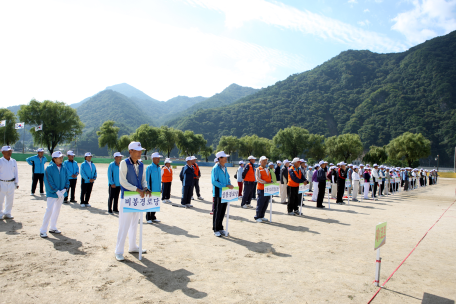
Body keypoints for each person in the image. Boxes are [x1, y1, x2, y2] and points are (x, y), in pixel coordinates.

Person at [115, 141, 150, 261]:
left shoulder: (141, 164)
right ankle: (119, 250)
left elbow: (143, 180)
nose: (140, 153)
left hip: (138, 198)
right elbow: (122, 182)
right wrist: (136, 189)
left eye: (141, 151)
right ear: (130, 151)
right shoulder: (124, 163)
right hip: (127, 198)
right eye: (138, 151)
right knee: (124, 225)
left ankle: (132, 246)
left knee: (135, 222)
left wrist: (145, 188)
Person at [39, 151, 70, 238]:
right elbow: (49, 181)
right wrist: (56, 191)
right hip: (52, 193)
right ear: (54, 159)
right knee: (49, 210)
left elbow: (67, 178)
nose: (61, 159)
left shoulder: (64, 167)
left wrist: (65, 189)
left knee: (57, 210)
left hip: (61, 193)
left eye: (62, 157)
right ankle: (43, 230)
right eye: (59, 157)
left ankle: (53, 227)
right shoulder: (49, 168)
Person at [212, 151, 233, 237]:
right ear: (220, 158)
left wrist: (230, 184)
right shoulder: (215, 168)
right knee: (217, 212)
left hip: (225, 193)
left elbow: (228, 178)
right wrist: (225, 185)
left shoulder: (225, 168)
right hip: (218, 194)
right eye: (224, 157)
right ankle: (216, 229)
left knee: (223, 211)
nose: (226, 158)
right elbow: (214, 181)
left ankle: (220, 228)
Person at [0, 146, 19, 220]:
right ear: (2, 152)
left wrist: (16, 183)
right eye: (8, 151)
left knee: (10, 199)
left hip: (11, 182)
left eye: (10, 151)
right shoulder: (0, 161)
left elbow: (16, 172)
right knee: (0, 199)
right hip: (2, 182)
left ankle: (7, 213)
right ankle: (0, 213)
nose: (9, 153)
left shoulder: (13, 161)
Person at [254, 156, 273, 222]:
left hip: (267, 189)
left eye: (266, 160)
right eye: (263, 160)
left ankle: (262, 216)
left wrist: (271, 182)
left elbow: (269, 178)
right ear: (260, 162)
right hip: (261, 189)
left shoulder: (267, 169)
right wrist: (265, 183)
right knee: (260, 203)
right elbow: (258, 179)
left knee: (265, 203)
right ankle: (257, 217)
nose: (265, 161)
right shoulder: (258, 169)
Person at [146, 152, 162, 223]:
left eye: (159, 158)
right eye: (157, 158)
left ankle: (153, 217)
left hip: (157, 189)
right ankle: (148, 218)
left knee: (155, 204)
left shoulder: (159, 168)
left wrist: (160, 188)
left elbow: (159, 179)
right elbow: (147, 179)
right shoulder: (149, 167)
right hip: (151, 190)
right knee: (149, 204)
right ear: (153, 158)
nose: (159, 159)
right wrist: (148, 189)